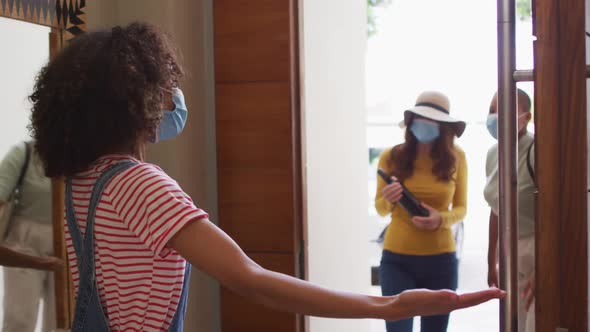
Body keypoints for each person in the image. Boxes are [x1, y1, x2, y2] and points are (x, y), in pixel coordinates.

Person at [28, 22, 503, 331]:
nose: (173, 102)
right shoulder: (141, 184)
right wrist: (388, 306)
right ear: (138, 104)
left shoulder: (83, 180)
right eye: (166, 90)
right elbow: (250, 279)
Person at [375, 91, 468, 332]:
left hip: (441, 261)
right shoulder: (390, 156)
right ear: (411, 122)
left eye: (432, 121)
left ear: (444, 127)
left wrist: (440, 219)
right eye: (420, 120)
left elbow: (461, 209)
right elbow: (380, 208)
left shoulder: (457, 157)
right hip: (397, 260)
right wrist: (390, 199)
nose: (424, 126)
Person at [484, 89, 535, 332]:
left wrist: (546, 263)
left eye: (505, 109)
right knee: (514, 324)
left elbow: (554, 212)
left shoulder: (537, 150)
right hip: (509, 252)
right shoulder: (493, 154)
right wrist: (490, 259)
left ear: (526, 117)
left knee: (535, 323)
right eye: (493, 109)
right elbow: (496, 209)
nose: (496, 115)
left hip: (536, 250)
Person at [0, 141, 57, 332]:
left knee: (60, 324)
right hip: (24, 241)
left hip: (65, 244)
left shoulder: (81, 157)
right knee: (19, 321)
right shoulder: (24, 153)